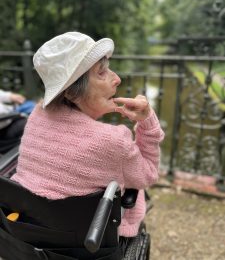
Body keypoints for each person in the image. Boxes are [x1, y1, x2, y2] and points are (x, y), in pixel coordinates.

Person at [11, 31, 164, 238]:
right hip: (89, 243)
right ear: (72, 92)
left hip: (32, 234)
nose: (117, 79)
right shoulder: (112, 140)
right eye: (102, 72)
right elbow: (149, 175)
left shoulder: (37, 115)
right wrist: (147, 121)